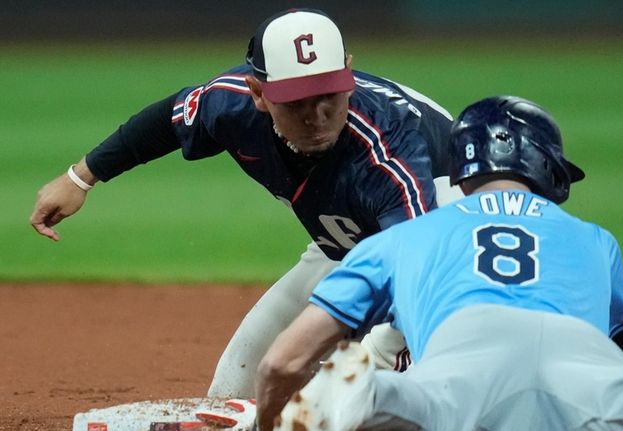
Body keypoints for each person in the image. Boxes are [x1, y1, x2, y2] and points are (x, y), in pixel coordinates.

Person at [253, 96, 623, 431]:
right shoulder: (597, 240)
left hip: (461, 376)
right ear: (546, 165)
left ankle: (344, 401)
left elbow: (283, 361)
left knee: (353, 391)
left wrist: (276, 417)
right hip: (584, 373)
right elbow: (621, 359)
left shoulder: (406, 236)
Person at [28, 8, 464, 398]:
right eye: (296, 103)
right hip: (353, 243)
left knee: (367, 394)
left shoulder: (389, 152)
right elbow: (167, 120)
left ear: (348, 73)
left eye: (329, 95)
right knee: (233, 390)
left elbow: (419, 272)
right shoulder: (230, 103)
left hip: (451, 255)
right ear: (258, 92)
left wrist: (362, 364)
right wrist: (80, 177)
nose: (316, 117)